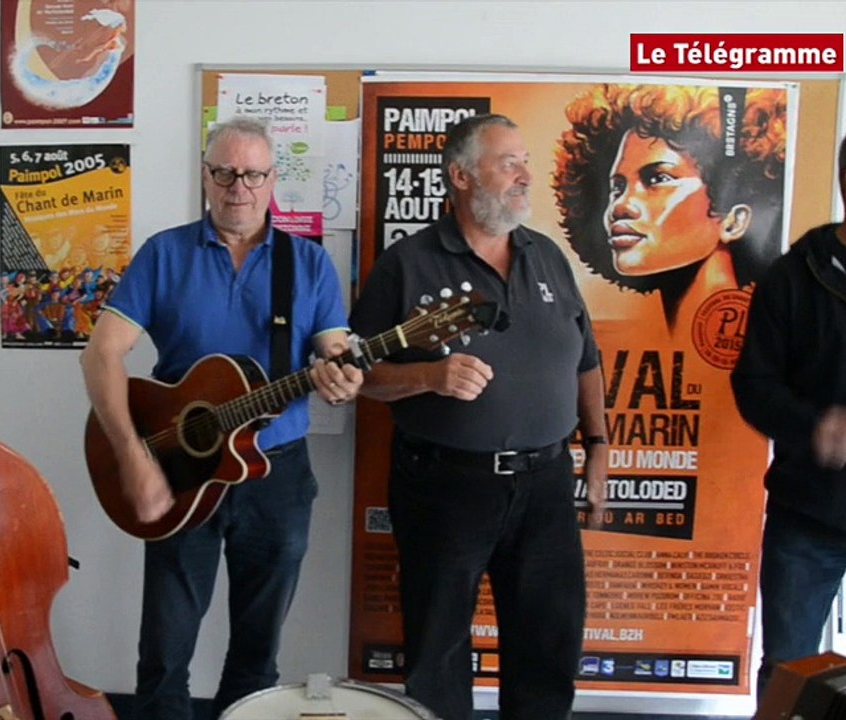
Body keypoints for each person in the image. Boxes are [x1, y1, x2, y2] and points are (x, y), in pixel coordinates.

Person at [80, 116, 363, 719]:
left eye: (253, 174)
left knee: (259, 652)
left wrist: (343, 375)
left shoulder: (308, 265)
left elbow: (335, 351)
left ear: (272, 180)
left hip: (277, 477)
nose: (239, 186)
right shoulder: (164, 254)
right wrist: (133, 456)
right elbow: (102, 352)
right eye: (225, 173)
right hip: (179, 467)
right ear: (205, 177)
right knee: (165, 648)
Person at [350, 114, 608, 720]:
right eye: (507, 163)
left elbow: (586, 360)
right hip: (445, 485)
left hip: (546, 484)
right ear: (461, 176)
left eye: (524, 161)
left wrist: (597, 446)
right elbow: (357, 374)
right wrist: (427, 377)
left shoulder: (547, 255)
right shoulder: (408, 264)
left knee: (548, 645)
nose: (525, 176)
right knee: (437, 652)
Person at [730, 114, 846, 702]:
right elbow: (753, 385)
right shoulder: (795, 278)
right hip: (809, 513)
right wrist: (816, 425)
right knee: (790, 674)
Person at [553, 84, 786, 334]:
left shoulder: (769, 339)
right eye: (617, 187)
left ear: (733, 221)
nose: (620, 205)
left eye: (658, 179)